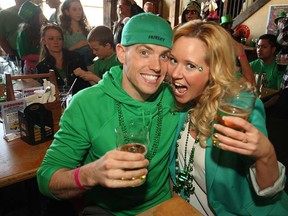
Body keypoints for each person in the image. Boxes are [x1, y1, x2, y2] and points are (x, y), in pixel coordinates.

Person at [37, 13, 179, 216]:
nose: (157, 67)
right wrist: (91, 175)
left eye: (164, 55)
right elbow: (46, 178)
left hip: (164, 209)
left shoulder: (175, 100)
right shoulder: (87, 104)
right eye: (144, 53)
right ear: (121, 53)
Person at [168, 20, 288, 215]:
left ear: (214, 69)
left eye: (190, 65)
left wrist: (265, 156)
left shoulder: (237, 109)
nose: (174, 73)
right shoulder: (180, 101)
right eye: (173, 60)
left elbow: (269, 192)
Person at [36, 24, 90, 95]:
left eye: (59, 38)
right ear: (43, 41)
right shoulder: (42, 66)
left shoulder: (75, 57)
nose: (56, 42)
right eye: (51, 38)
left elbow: (86, 83)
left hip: (81, 99)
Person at [59, 0, 93, 67]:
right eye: (74, 9)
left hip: (89, 64)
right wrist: (77, 45)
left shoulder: (86, 29)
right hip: (71, 65)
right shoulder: (62, 31)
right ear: (67, 11)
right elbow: (60, 52)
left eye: (80, 9)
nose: (78, 12)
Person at [17, 1, 47, 74]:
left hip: (45, 64)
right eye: (41, 14)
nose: (43, 16)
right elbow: (24, 55)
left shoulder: (43, 28)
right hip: (32, 68)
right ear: (34, 17)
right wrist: (43, 57)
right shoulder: (25, 32)